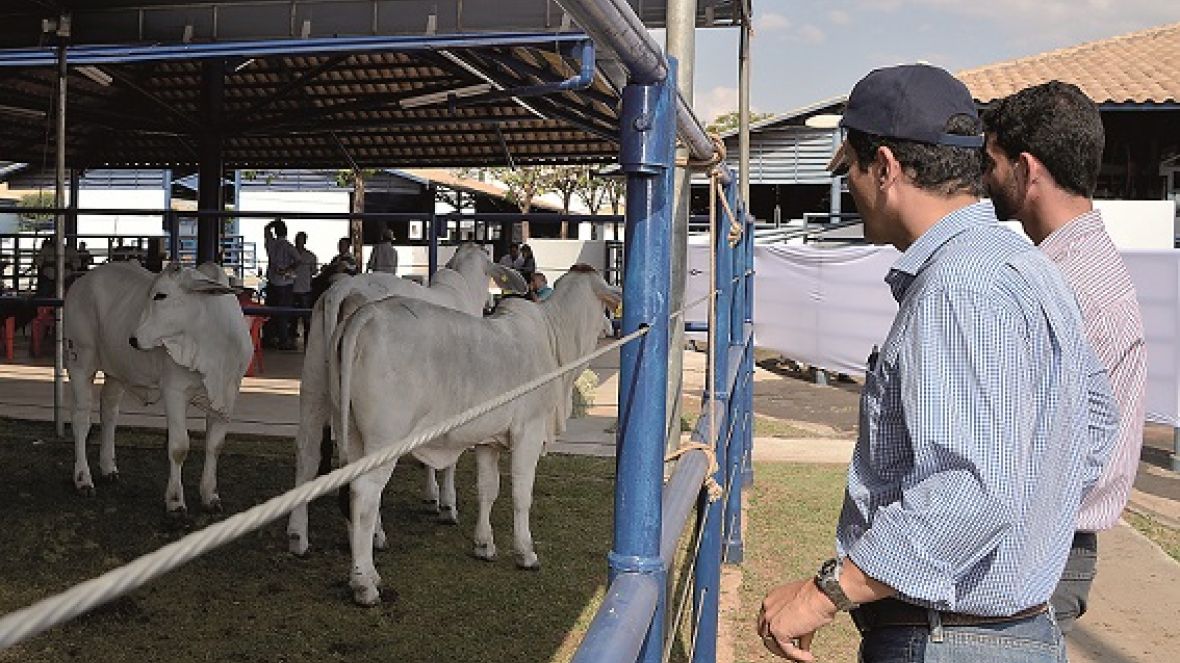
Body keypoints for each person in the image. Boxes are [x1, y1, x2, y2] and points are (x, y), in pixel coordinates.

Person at [756, 64, 1118, 663]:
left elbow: (971, 492)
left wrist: (827, 593)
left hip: (951, 635)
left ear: (885, 167)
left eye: (849, 168)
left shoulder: (959, 288)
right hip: (1007, 628)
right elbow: (1093, 435)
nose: (849, 185)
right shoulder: (1028, 268)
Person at [982, 81, 1147, 635]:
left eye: (992, 162)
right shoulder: (1078, 268)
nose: (986, 178)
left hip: (1041, 548)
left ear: (1026, 169)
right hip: (1054, 546)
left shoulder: (1062, 286)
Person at [263, 218, 300, 350]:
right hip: (285, 283)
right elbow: (298, 260)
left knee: (270, 312)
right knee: (283, 313)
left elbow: (266, 230)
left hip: (272, 282)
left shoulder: (271, 244)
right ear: (286, 232)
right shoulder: (288, 246)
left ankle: (268, 339)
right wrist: (288, 269)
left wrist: (274, 222)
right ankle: (283, 340)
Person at [292, 231, 318, 343]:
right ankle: (292, 336)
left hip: (305, 289)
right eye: (298, 239)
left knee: (306, 316)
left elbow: (314, 271)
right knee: (292, 316)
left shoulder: (311, 256)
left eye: (301, 239)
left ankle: (308, 339)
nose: (299, 242)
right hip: (291, 288)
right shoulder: (290, 253)